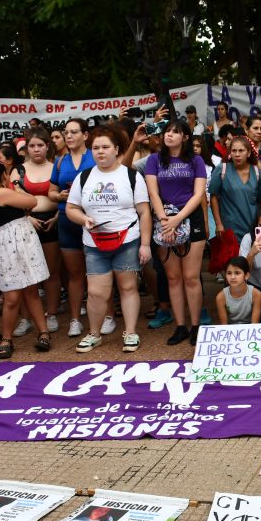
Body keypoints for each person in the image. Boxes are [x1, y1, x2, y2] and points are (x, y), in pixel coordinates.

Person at [66, 125, 152, 353]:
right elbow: (71, 208)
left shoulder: (132, 176)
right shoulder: (83, 177)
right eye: (95, 148)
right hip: (94, 243)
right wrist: (84, 219)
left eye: (105, 147)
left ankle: (131, 332)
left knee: (128, 287)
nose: (100, 152)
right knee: (96, 292)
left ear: (117, 150)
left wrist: (145, 244)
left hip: (128, 239)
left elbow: (144, 212)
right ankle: (94, 334)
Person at [143, 121, 207, 346]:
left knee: (191, 277)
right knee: (173, 277)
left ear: (186, 137)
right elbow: (153, 192)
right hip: (164, 218)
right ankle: (180, 326)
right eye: (167, 131)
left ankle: (196, 326)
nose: (169, 135)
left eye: (175, 132)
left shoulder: (196, 160)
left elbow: (199, 194)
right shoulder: (154, 160)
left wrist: (178, 219)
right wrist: (164, 221)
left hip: (190, 218)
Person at [0, 160, 51, 359]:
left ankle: (43, 333)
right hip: (12, 244)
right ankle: (7, 338)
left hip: (15, 242)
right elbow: (32, 202)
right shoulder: (1, 192)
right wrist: (18, 185)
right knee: (13, 296)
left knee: (30, 291)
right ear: (1, 175)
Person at [49, 119, 97, 338]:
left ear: (85, 135)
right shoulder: (60, 161)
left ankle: (104, 316)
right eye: (66, 132)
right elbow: (51, 191)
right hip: (68, 221)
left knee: (98, 273)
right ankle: (75, 319)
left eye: (74, 132)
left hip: (93, 219)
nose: (69, 136)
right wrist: (58, 196)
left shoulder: (95, 156)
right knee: (75, 274)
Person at [18, 128, 61, 332]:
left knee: (52, 271)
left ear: (47, 147)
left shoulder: (57, 166)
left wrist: (58, 216)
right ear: (27, 148)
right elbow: (11, 198)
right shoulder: (18, 170)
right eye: (32, 146)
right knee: (27, 273)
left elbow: (68, 195)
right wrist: (26, 217)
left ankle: (51, 314)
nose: (36, 149)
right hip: (25, 222)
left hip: (52, 221)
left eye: (40, 145)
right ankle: (26, 318)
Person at [215, 257, 261, 325]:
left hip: (250, 330)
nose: (232, 277)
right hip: (230, 330)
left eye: (237, 273)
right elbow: (224, 325)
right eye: (229, 273)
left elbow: (254, 324)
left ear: (246, 275)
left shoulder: (256, 294)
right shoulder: (221, 297)